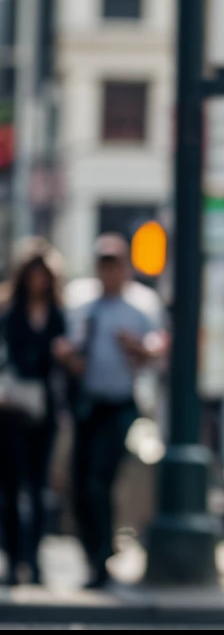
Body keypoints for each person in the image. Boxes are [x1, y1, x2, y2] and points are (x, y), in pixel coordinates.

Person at [55, 233, 165, 589]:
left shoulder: (141, 305)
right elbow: (65, 342)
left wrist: (140, 349)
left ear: (126, 267)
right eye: (103, 264)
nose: (108, 272)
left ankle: (103, 554)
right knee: (79, 482)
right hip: (86, 403)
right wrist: (68, 356)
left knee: (100, 479)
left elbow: (159, 345)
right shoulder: (80, 300)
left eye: (114, 263)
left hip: (120, 403)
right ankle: (92, 551)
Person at [0, 239, 66, 585]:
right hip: (10, 408)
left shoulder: (59, 314)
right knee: (10, 487)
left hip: (45, 408)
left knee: (39, 487)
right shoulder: (8, 311)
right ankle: (13, 560)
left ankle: (34, 559)